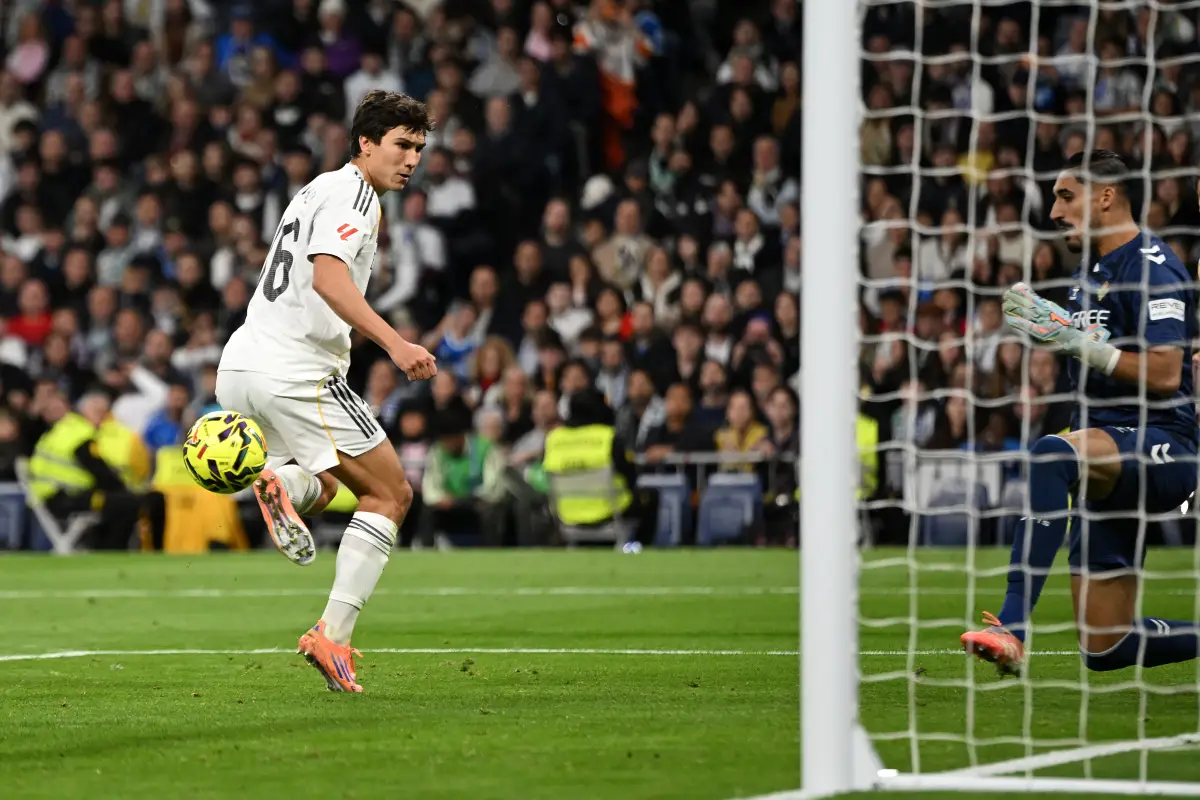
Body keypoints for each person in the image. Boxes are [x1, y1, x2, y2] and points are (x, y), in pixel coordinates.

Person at [215, 91, 438, 693]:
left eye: (419, 147)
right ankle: (332, 636)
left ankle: (280, 483)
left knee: (331, 485)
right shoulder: (356, 196)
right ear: (366, 144)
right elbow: (329, 277)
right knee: (391, 494)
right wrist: (397, 344)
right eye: (401, 145)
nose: (412, 159)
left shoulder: (317, 186)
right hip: (297, 372)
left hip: (242, 363)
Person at [963, 150, 1200, 675]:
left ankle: (1011, 627)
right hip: (1108, 457)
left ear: (1106, 197)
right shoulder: (1089, 272)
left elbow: (1164, 374)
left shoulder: (1153, 267)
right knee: (1105, 648)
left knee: (1050, 456)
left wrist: (1074, 340)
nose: (1053, 210)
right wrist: (1071, 336)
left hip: (1163, 445)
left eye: (1065, 196)